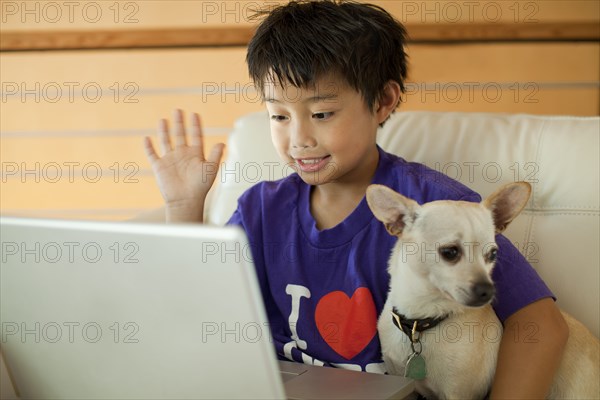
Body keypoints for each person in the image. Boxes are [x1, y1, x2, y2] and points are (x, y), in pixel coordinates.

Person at [143, 1, 568, 397]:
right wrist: (184, 208)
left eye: (322, 113)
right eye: (278, 116)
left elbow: (539, 324)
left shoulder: (439, 207)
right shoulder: (260, 208)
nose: (299, 139)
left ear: (382, 101)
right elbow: (197, 312)